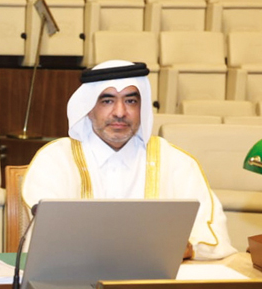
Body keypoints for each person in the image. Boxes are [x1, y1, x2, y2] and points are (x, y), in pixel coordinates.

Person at [22, 60, 236, 260]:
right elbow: (46, 244)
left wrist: (187, 248)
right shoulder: (56, 160)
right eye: (107, 101)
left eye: (131, 101)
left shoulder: (176, 163)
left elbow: (214, 236)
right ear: (88, 109)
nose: (120, 112)